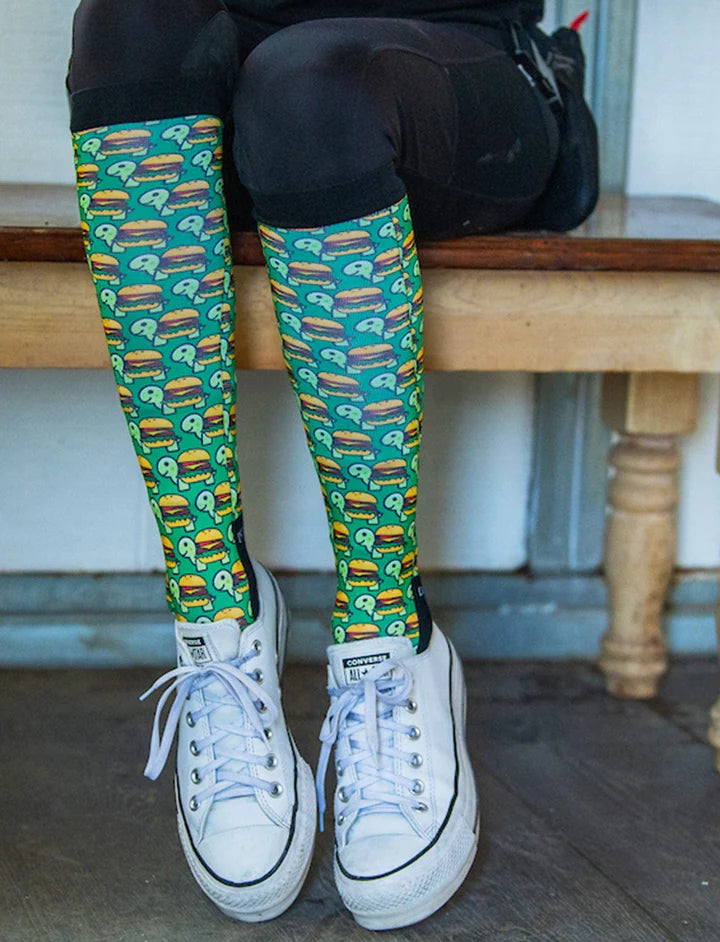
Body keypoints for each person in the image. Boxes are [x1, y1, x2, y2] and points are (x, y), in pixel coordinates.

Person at [66, 0, 578, 930]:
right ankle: (216, 616)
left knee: (306, 87)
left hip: (453, 81)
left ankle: (392, 631)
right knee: (126, 21)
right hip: (235, 84)